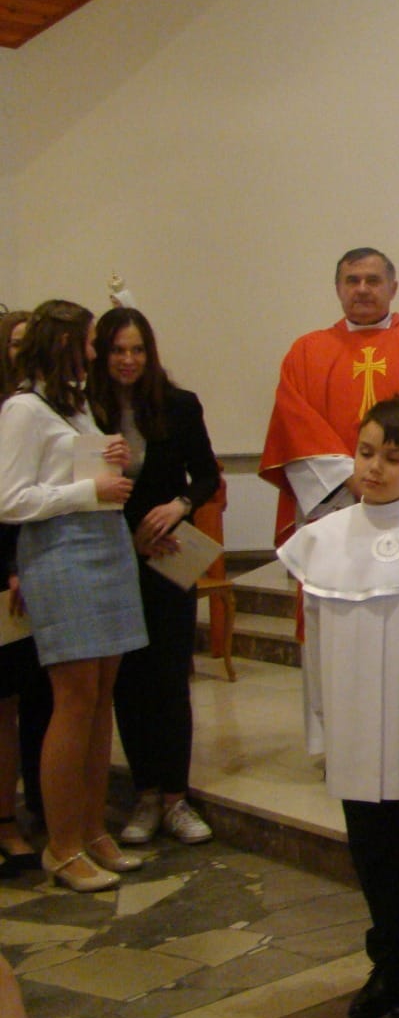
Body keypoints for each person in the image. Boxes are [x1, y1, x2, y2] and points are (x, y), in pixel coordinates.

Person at [277, 397, 399, 1018]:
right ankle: (390, 958)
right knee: (372, 847)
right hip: (354, 719)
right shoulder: (322, 538)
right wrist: (321, 720)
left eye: (393, 457)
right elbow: (313, 638)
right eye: (366, 453)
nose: (375, 468)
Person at [0, 301, 150, 893]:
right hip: (60, 553)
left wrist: (107, 461)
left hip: (104, 545)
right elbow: (11, 500)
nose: (95, 352)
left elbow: (74, 473)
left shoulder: (76, 403)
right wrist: (87, 491)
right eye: (88, 341)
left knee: (102, 693)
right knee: (75, 698)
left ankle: (92, 830)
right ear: (62, 342)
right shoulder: (23, 409)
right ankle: (61, 846)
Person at [86, 308, 219, 847]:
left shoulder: (178, 404)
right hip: (111, 554)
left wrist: (179, 506)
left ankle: (175, 798)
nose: (128, 360)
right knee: (130, 680)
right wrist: (128, 536)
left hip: (169, 552)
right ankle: (144, 794)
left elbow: (206, 475)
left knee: (169, 676)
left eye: (137, 349)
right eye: (118, 350)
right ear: (101, 354)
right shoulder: (86, 411)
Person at [260, 247, 399, 545]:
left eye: (373, 280)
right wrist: (352, 478)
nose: (362, 289)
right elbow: (296, 427)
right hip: (334, 500)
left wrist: (392, 477)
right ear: (338, 289)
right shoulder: (305, 352)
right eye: (352, 280)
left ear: (393, 288)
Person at [0, 310, 49, 873]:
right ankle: (4, 821)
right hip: (9, 567)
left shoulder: (42, 406)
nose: (22, 352)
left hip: (30, 562)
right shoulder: (13, 410)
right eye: (14, 344)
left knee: (35, 695)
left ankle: (41, 803)